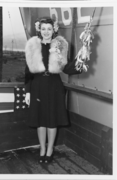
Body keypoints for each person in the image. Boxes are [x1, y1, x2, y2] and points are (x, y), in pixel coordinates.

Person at [24, 17, 82, 164]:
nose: (46, 32)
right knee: (40, 120)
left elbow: (67, 68)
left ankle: (50, 150)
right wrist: (28, 92)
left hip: (54, 86)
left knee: (52, 119)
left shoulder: (60, 45)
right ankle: (42, 149)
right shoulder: (32, 46)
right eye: (43, 29)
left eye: (49, 29)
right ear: (39, 30)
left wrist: (80, 60)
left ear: (54, 30)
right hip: (37, 86)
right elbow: (28, 72)